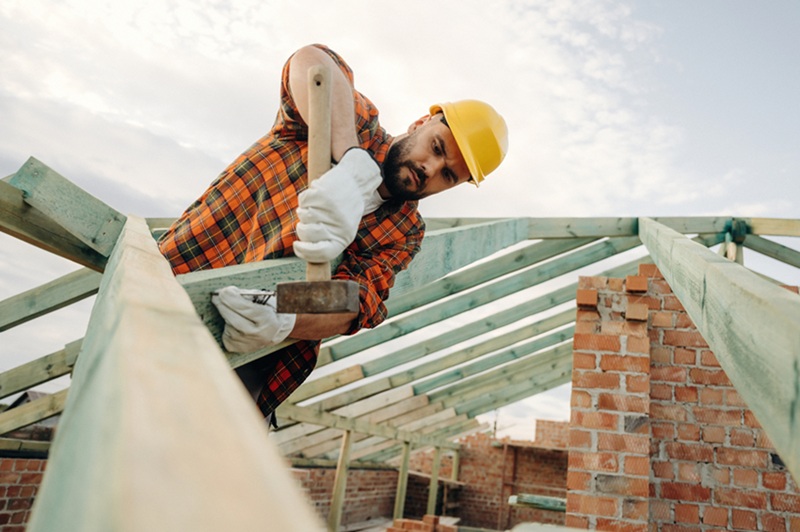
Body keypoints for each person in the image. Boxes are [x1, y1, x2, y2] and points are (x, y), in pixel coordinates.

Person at [158, 44, 508, 424]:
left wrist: (284, 311)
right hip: (169, 290)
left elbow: (358, 299)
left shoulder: (404, 231)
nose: (430, 168)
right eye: (436, 147)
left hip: (247, 360)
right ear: (421, 122)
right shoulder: (354, 123)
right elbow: (313, 62)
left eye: (449, 174)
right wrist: (351, 160)